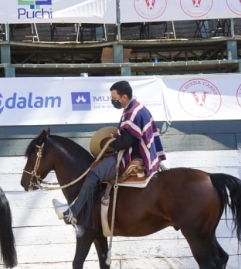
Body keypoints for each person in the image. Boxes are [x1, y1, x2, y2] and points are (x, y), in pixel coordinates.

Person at [52, 80, 167, 227]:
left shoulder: (133, 113)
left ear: (124, 97)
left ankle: (74, 212)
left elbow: (127, 141)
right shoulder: (136, 109)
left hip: (131, 156)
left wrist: (112, 144)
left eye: (115, 98)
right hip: (136, 151)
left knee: (94, 173)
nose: (113, 101)